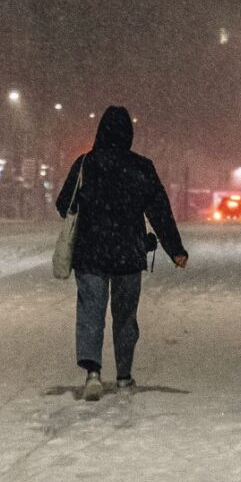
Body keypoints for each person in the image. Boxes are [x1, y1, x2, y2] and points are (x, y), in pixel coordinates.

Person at [56, 105, 188, 401]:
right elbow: (159, 211)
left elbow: (64, 203)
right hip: (128, 252)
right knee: (125, 315)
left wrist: (92, 212)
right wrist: (175, 250)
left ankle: (92, 374)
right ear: (129, 133)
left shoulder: (86, 164)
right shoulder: (141, 167)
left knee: (91, 311)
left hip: (90, 252)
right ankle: (125, 376)